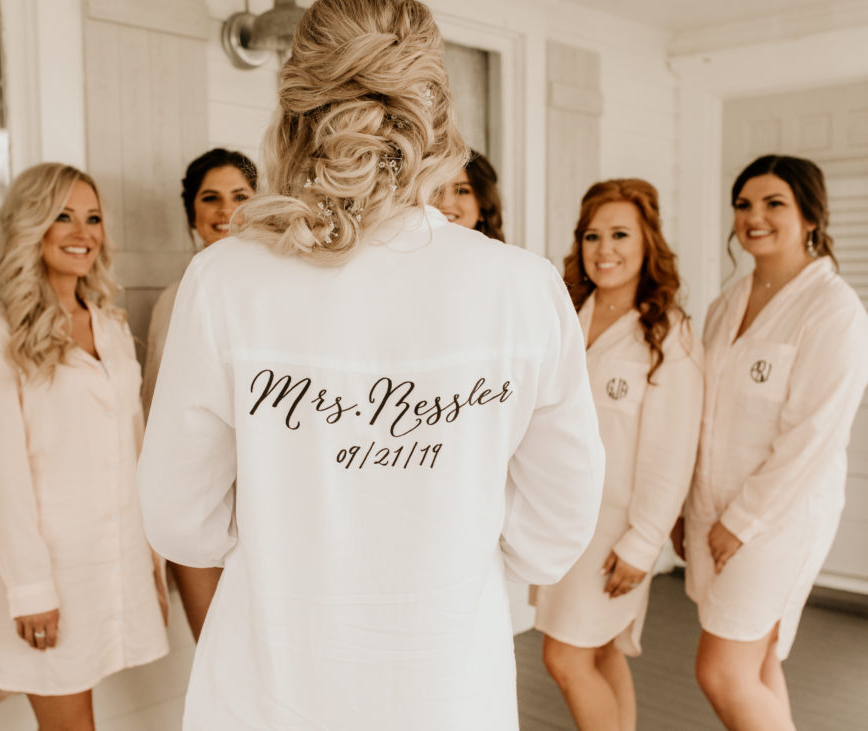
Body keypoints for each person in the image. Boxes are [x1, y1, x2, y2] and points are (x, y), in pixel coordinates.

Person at [137, 1, 605, 729]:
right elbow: (555, 526)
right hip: (448, 684)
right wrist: (448, 539)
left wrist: (287, 528)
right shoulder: (522, 287)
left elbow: (178, 516)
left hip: (272, 684)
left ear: (296, 109)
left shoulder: (225, 281)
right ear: (437, 113)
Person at [0, 163, 169, 730]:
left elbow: (132, 444)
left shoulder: (110, 326)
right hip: (49, 571)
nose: (83, 232)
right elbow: (0, 477)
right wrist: (30, 589)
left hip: (115, 558)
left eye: (93, 218)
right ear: (33, 227)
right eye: (63, 216)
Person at [680, 154, 868, 731]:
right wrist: (686, 506)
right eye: (743, 204)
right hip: (711, 507)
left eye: (773, 203)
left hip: (776, 518)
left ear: (811, 215)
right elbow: (702, 412)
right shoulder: (726, 304)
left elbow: (814, 435)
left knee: (722, 670)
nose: (753, 217)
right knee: (756, 662)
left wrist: (742, 521)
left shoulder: (833, 310)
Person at [532, 179, 703, 731]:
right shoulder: (565, 315)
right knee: (601, 650)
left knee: (564, 656)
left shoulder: (666, 336)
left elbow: (672, 452)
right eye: (592, 236)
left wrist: (644, 541)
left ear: (647, 242)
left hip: (615, 532)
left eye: (620, 235)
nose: (604, 249)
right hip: (559, 518)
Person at [140, 148, 257, 641]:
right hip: (197, 503)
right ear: (192, 212)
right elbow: (154, 410)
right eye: (210, 198)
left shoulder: (274, 294)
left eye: (239, 196)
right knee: (213, 651)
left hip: (261, 507)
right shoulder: (174, 299)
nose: (224, 210)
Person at [433, 148, 504, 241]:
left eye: (462, 191)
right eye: (435, 190)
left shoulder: (506, 255)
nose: (445, 203)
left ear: (483, 207)